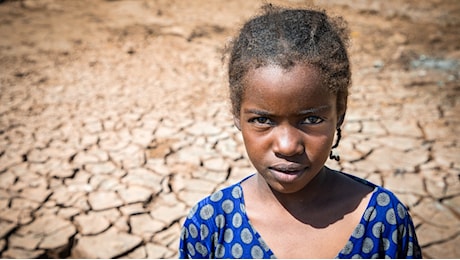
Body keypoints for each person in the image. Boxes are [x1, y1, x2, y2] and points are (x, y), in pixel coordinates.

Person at [178, 4, 422, 259]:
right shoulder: (210, 225)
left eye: (311, 119)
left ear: (340, 111)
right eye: (263, 120)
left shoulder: (384, 220)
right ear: (237, 114)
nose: (287, 146)